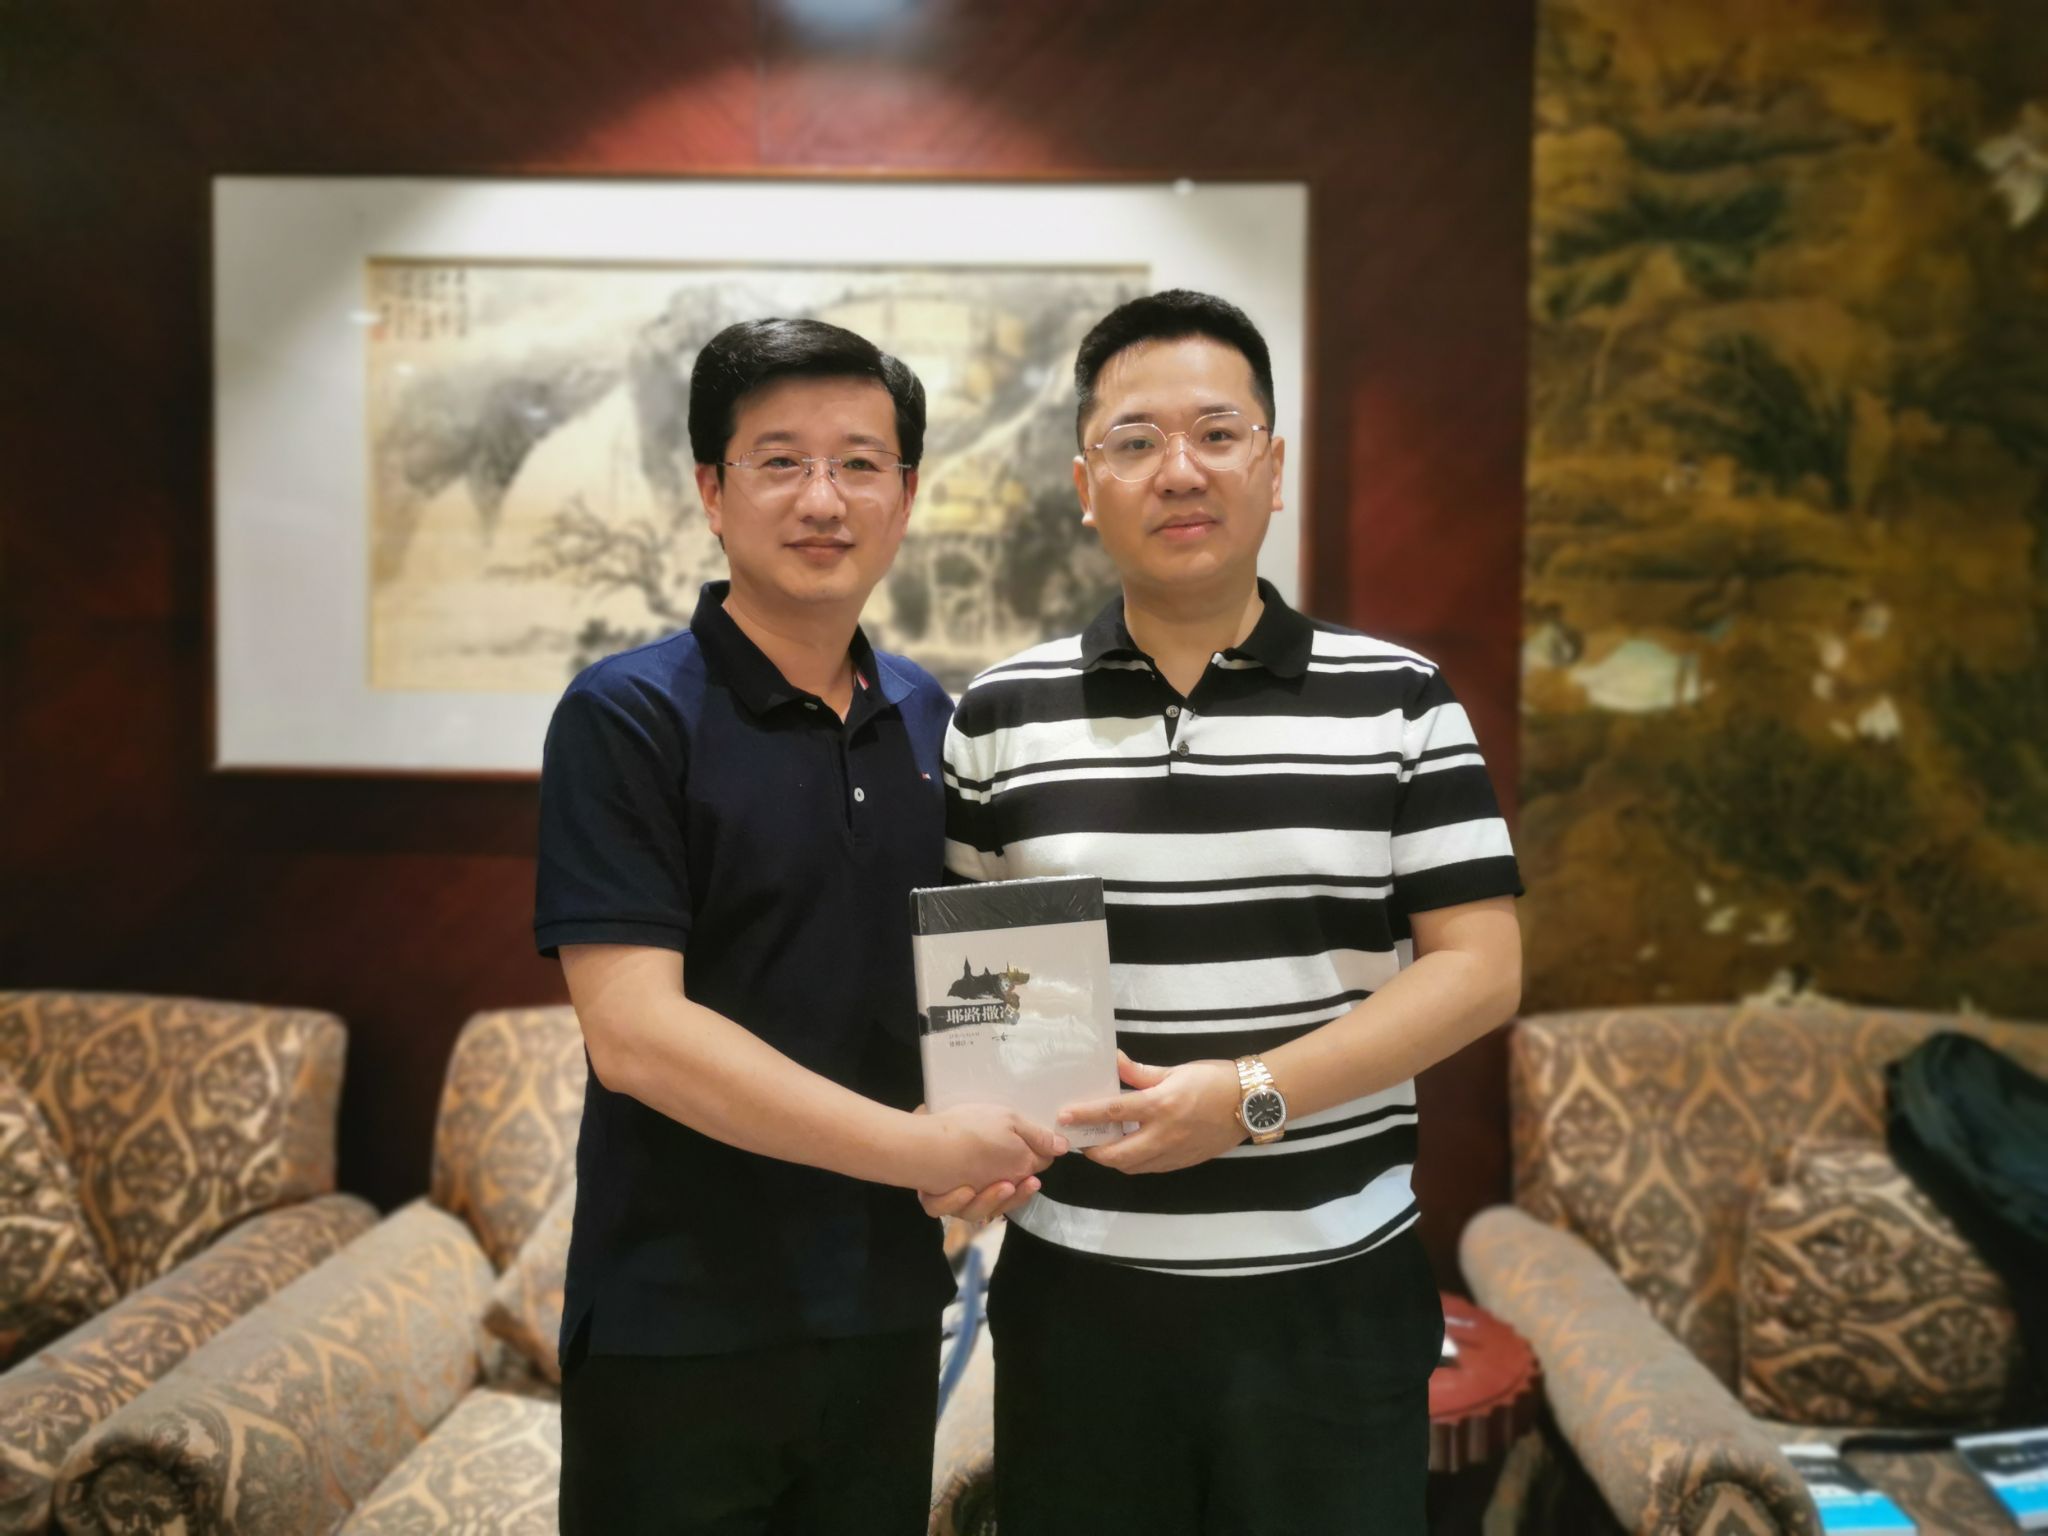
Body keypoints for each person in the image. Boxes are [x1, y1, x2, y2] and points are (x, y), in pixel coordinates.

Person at [936, 290, 1525, 1534]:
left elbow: (1478, 970)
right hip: (1077, 1297)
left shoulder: (1400, 701)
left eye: (1216, 433)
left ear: (1272, 466)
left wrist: (1252, 1098)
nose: (1179, 470)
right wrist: (971, 1151)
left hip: (1332, 1293)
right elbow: (989, 1009)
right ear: (1084, 484)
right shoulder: (997, 717)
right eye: (1134, 441)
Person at [535, 316, 1062, 1535]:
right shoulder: (625, 716)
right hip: (676, 1325)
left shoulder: (930, 717)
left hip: (884, 1314)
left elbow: (970, 983)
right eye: (779, 461)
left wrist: (1013, 1116)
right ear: (711, 492)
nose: (822, 498)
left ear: (905, 496)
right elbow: (637, 1039)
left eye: (859, 463)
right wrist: (919, 1151)